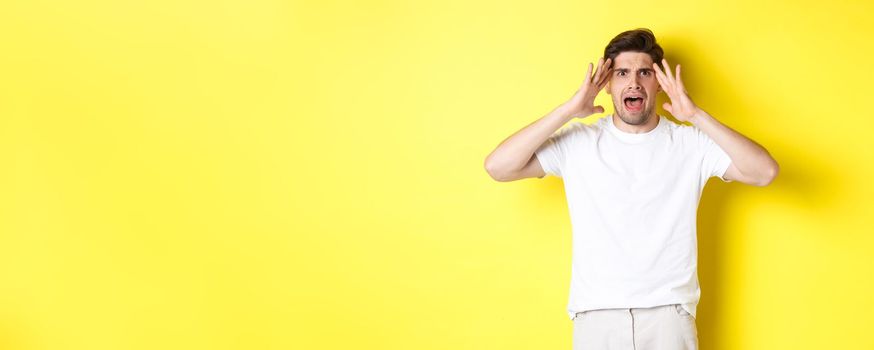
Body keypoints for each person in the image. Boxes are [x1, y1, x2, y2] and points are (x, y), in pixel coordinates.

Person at [483, 28, 779, 350]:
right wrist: (569, 110)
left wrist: (695, 115)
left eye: (645, 73)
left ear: (659, 83)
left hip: (668, 318)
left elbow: (764, 171)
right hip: (597, 318)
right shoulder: (578, 144)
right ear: (608, 85)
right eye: (622, 73)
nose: (633, 82)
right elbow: (499, 166)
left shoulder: (689, 143)